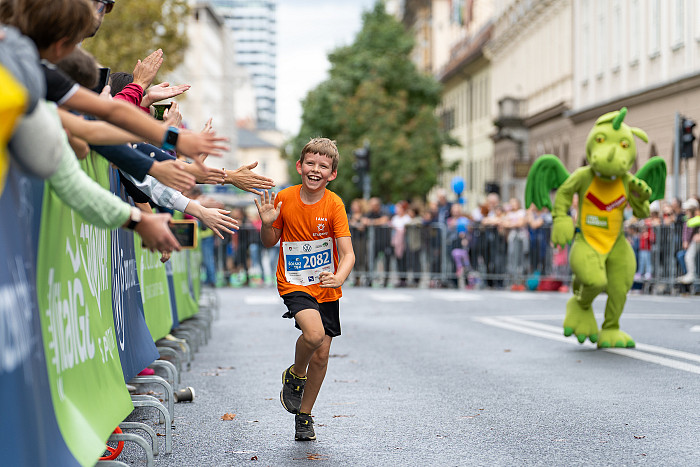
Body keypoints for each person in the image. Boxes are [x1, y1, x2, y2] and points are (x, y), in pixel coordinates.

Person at [255, 138, 354, 441]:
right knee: (314, 335)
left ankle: (305, 415)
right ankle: (297, 374)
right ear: (299, 166)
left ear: (332, 173)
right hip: (294, 283)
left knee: (322, 356)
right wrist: (268, 223)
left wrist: (339, 277)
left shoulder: (334, 203)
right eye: (310, 163)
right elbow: (269, 242)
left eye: (323, 166)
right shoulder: (284, 198)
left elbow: (348, 253)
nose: (315, 170)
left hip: (326, 287)